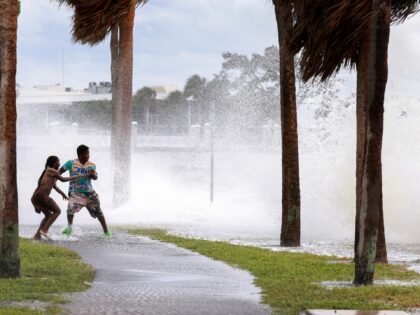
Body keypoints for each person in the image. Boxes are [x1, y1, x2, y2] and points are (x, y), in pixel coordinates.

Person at [59, 144, 111, 237]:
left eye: (88, 153)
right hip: (75, 192)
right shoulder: (71, 163)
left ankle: (106, 232)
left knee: (98, 212)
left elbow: (95, 177)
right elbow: (59, 172)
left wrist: (93, 175)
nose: (88, 156)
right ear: (80, 155)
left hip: (89, 193)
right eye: (86, 154)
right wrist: (53, 179)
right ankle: (69, 228)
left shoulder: (91, 165)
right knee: (70, 210)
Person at [31, 156, 82, 240]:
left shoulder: (48, 172)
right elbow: (63, 179)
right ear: (54, 163)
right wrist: (76, 177)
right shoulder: (52, 170)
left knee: (48, 215)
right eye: (58, 161)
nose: (60, 163)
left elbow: (54, 186)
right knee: (57, 211)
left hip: (36, 197)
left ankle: (37, 235)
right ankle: (44, 230)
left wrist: (62, 194)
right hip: (42, 196)